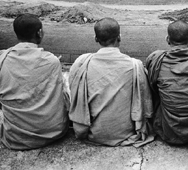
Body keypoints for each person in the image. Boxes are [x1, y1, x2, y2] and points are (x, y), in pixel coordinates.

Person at [69, 18, 154, 147]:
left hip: (93, 133)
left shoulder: (82, 63)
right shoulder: (135, 66)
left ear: (96, 38)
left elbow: (73, 92)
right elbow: (147, 102)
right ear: (119, 37)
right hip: (127, 132)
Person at [0, 14, 69, 150]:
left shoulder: (3, 60)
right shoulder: (51, 61)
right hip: (53, 132)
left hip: (15, 138)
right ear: (39, 33)